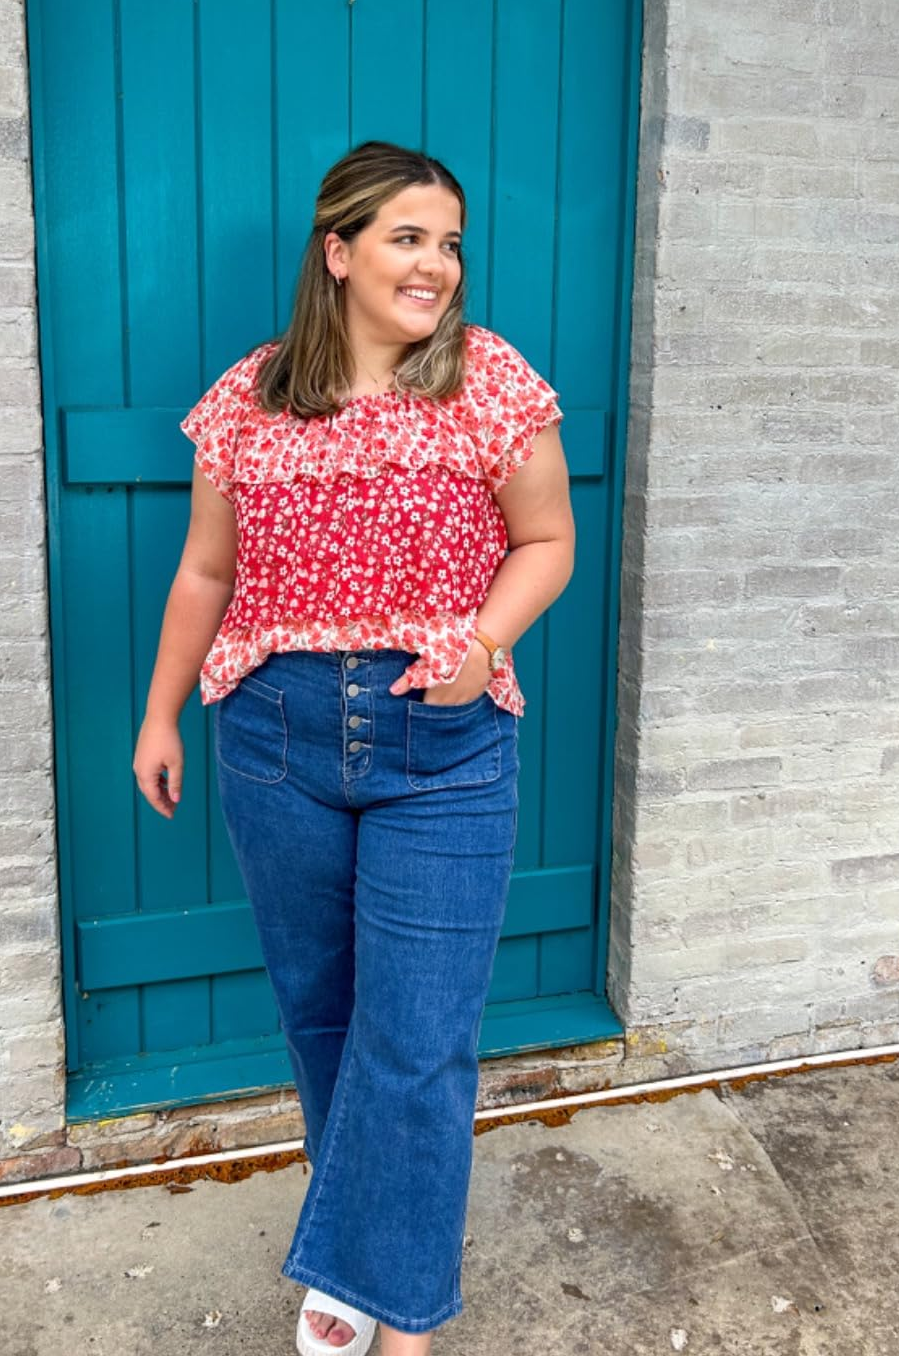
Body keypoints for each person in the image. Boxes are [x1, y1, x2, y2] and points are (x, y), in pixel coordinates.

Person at [133, 140, 575, 1355]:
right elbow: (206, 572)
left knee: (420, 1037)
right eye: (407, 238)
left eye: (450, 243)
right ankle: (371, 1257)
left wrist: (485, 644)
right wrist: (161, 711)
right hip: (274, 735)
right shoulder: (250, 397)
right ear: (339, 252)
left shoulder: (489, 382)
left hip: (445, 738)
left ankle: (402, 1317)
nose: (435, 264)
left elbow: (549, 541)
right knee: (324, 1014)